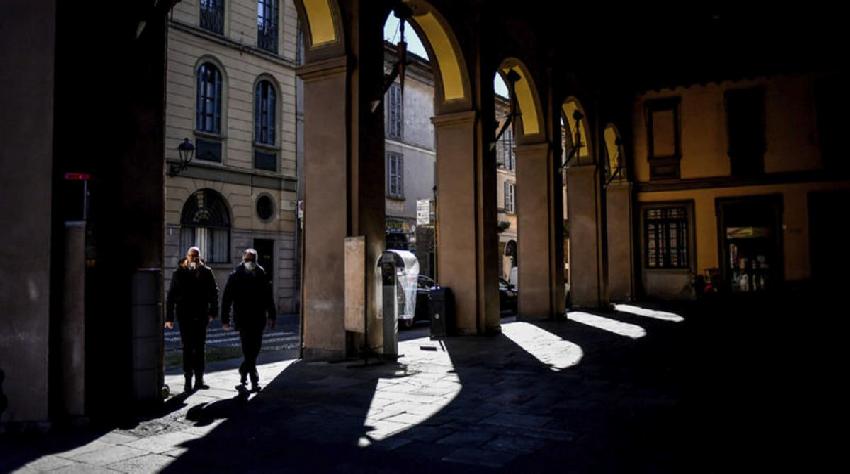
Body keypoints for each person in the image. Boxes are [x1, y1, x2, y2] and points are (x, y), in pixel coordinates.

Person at [221, 248, 276, 393]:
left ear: (256, 260)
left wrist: (272, 315)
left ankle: (243, 371)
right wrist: (225, 319)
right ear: (243, 259)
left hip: (258, 318)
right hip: (243, 318)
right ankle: (254, 381)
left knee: (255, 349)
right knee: (248, 350)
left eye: (252, 260)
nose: (250, 262)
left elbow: (268, 297)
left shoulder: (261, 274)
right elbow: (227, 299)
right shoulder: (235, 276)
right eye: (247, 259)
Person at [165, 247, 219, 393]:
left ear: (199, 257)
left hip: (201, 315)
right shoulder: (179, 273)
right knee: (188, 348)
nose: (194, 258)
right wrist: (169, 318)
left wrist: (213, 312)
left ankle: (199, 379)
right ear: (187, 257)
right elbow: (171, 296)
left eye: (196, 256)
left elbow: (214, 292)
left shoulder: (206, 272)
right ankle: (188, 380)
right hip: (185, 316)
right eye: (191, 256)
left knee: (200, 347)